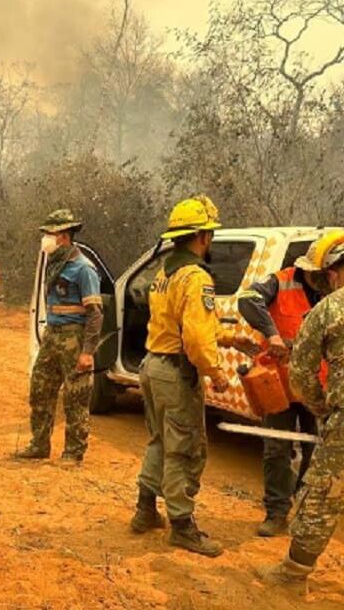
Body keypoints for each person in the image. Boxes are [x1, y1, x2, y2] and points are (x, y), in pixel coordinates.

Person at [130, 195, 258, 557]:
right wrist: (216, 372)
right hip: (176, 373)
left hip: (152, 367)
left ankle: (145, 510)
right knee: (184, 449)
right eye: (210, 234)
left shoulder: (165, 272)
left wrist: (230, 337)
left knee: (159, 440)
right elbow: (196, 339)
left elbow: (186, 324)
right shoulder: (197, 277)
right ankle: (182, 526)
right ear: (202, 236)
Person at [258, 230, 344, 590]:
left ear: (333, 271)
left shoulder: (330, 308)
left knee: (322, 494)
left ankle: (293, 573)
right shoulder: (278, 283)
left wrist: (321, 407)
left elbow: (301, 372)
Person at [238, 242, 329, 536]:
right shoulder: (280, 281)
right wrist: (272, 334)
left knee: (316, 450)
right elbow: (247, 300)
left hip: (317, 385)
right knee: (277, 448)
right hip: (279, 384)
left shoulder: (333, 290)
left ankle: (304, 509)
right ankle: (276, 512)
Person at [15, 209, 103, 463]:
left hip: (74, 338)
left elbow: (95, 314)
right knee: (40, 389)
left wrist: (87, 352)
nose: (45, 239)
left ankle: (74, 452)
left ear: (63, 236)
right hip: (52, 335)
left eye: (49, 234)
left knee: (75, 397)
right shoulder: (54, 264)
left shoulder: (83, 268)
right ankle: (39, 444)